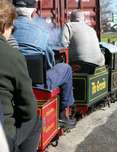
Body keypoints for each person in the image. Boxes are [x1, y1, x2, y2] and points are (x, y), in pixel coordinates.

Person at [12, 0, 76, 128]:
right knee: (66, 69)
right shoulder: (42, 32)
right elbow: (49, 63)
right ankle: (63, 115)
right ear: (33, 12)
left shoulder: (5, 30)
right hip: (37, 85)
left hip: (10, 82)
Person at [0, 0, 41, 152]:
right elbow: (28, 108)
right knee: (35, 120)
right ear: (5, 27)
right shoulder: (13, 56)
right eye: (12, 27)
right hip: (3, 138)